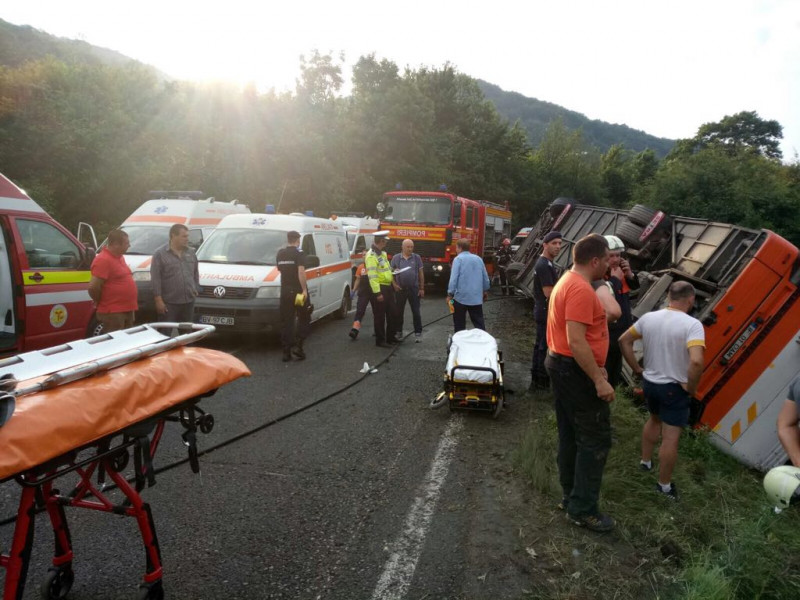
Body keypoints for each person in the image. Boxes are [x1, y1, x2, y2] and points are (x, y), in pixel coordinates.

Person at [545, 233, 615, 532]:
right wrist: (598, 379)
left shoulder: (567, 280)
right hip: (572, 370)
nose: (611, 263)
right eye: (608, 258)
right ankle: (583, 509)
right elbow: (576, 341)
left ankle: (571, 497)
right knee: (595, 439)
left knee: (571, 434)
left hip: (563, 367)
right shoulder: (581, 290)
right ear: (595, 260)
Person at [618, 281, 705, 501]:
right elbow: (696, 362)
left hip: (650, 383)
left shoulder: (649, 318)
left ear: (668, 296)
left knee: (654, 419)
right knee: (670, 437)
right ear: (691, 299)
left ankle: (645, 462)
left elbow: (624, 340)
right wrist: (691, 388)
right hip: (674, 389)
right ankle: (664, 486)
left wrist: (637, 369)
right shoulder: (693, 326)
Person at [603, 235, 640, 388]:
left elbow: (634, 286)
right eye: (612, 256)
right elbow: (608, 296)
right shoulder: (602, 277)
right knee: (607, 363)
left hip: (622, 329)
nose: (616, 259)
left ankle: (612, 388)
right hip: (609, 331)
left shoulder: (620, 272)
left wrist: (629, 274)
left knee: (616, 366)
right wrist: (615, 279)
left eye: (618, 255)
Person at [530, 231, 563, 391]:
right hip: (545, 311)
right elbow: (549, 293)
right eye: (554, 243)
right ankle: (540, 382)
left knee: (540, 345)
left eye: (559, 243)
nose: (558, 246)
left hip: (542, 310)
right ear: (545, 245)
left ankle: (537, 380)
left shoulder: (547, 263)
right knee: (543, 346)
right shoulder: (544, 265)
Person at [88, 229, 138, 333]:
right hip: (113, 311)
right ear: (115, 244)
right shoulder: (103, 259)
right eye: (126, 243)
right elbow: (93, 287)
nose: (129, 245)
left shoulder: (119, 257)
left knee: (127, 343)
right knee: (116, 343)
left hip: (126, 309)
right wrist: (100, 301)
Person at [150, 224, 200, 323]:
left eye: (187, 236)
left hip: (188, 302)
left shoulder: (191, 252)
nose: (187, 239)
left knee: (187, 335)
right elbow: (156, 279)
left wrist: (195, 287)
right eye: (184, 236)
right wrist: (158, 301)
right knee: (166, 334)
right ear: (173, 236)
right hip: (169, 303)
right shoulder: (160, 254)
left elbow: (195, 273)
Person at [276, 230, 310, 362]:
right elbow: (301, 271)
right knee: (303, 316)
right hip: (297, 293)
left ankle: (286, 352)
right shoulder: (299, 253)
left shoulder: (280, 253)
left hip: (285, 292)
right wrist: (304, 290)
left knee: (287, 321)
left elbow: (280, 269)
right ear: (298, 240)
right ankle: (299, 347)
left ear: (288, 239)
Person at [446, 239, 490, 332]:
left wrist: (450, 294)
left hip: (460, 298)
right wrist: (485, 290)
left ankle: (460, 343)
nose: (456, 250)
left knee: (459, 324)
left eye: (456, 248)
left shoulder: (458, 259)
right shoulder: (478, 259)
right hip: (476, 298)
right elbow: (485, 277)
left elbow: (454, 279)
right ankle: (482, 342)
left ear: (460, 248)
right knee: (479, 324)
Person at [365, 232, 398, 347]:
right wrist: (378, 293)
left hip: (388, 287)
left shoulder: (382, 254)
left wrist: (393, 271)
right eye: (385, 241)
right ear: (381, 241)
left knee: (392, 313)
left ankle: (391, 337)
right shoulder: (371, 256)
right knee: (380, 316)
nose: (386, 243)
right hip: (380, 288)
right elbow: (372, 276)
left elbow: (386, 269)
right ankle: (380, 340)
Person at [391, 239, 425, 342]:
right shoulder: (396, 258)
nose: (410, 249)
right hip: (400, 289)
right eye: (408, 247)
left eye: (411, 247)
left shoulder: (417, 258)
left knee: (416, 312)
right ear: (402, 247)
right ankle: (398, 332)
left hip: (413, 289)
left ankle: (418, 333)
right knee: (398, 312)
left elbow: (420, 273)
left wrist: (422, 288)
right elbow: (391, 273)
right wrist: (394, 285)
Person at [348, 261, 371, 340]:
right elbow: (358, 280)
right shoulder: (360, 267)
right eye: (363, 255)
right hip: (363, 293)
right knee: (360, 311)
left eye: (366, 254)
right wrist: (353, 290)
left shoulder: (374, 265)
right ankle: (355, 330)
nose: (364, 256)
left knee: (377, 312)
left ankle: (378, 331)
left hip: (374, 292)